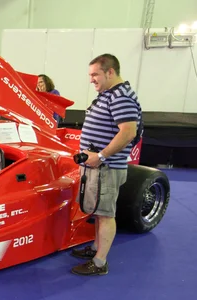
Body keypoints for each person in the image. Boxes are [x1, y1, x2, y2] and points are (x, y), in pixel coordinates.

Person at [70, 53, 142, 276]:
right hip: (98, 167)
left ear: (110, 72)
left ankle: (100, 262)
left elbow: (128, 132)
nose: (91, 79)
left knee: (105, 214)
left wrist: (100, 156)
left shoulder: (120, 96)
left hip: (106, 168)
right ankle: (95, 249)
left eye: (95, 74)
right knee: (99, 211)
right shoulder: (108, 94)